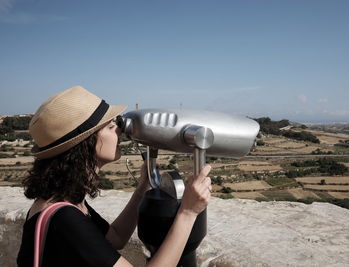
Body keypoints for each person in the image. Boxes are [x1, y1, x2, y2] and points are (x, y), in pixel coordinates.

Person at [17, 86, 212, 267]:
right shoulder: (64, 218)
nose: (119, 129)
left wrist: (143, 186)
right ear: (86, 143)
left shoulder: (63, 201)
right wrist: (188, 212)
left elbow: (116, 238)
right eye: (110, 126)